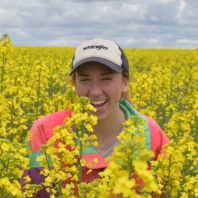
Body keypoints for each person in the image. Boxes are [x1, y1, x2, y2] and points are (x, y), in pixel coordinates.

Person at [22, 38, 169, 197]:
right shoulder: (45, 132)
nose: (95, 92)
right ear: (74, 84)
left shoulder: (154, 136)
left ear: (124, 82)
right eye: (85, 80)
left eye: (106, 79)